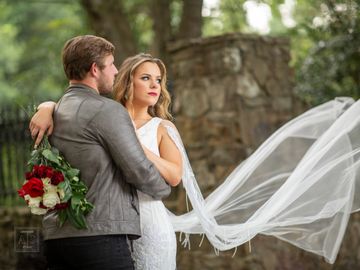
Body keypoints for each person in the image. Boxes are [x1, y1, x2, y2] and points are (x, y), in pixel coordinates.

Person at [31, 49, 360, 265]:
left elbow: (174, 177)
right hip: (108, 227)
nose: (154, 85)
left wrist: (140, 149)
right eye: (145, 77)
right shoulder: (107, 115)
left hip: (149, 223)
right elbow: (79, 110)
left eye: (158, 80)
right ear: (125, 80)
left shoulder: (162, 128)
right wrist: (48, 106)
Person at [30, 35, 172, 270]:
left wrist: (46, 105)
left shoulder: (50, 113)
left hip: (57, 239)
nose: (116, 71)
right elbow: (138, 169)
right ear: (95, 69)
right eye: (111, 64)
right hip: (100, 238)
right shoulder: (107, 111)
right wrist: (164, 189)